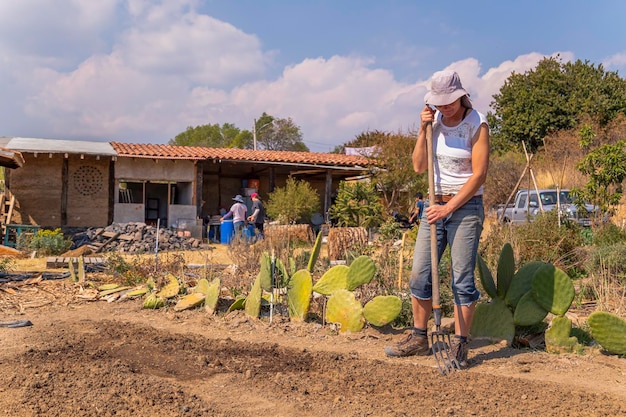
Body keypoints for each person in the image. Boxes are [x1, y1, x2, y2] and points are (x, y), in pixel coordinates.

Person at [384, 70, 490, 368]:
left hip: (466, 208)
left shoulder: (477, 124)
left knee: (461, 279)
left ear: (460, 96)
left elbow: (479, 174)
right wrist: (422, 128)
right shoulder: (435, 124)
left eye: (450, 102)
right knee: (420, 273)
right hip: (434, 206)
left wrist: (449, 208)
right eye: (439, 103)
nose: (445, 108)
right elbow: (419, 166)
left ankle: (459, 344)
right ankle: (419, 337)